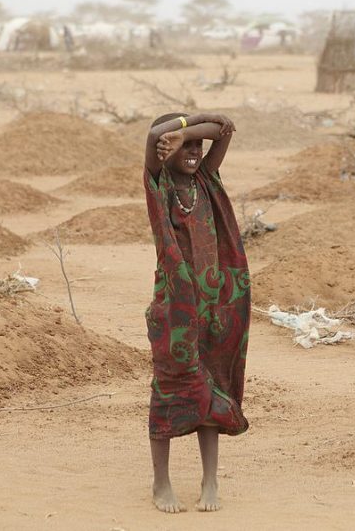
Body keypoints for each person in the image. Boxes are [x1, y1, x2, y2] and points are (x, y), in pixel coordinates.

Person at [142, 111, 250, 513]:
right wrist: (172, 134)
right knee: (170, 388)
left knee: (213, 389)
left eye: (196, 147)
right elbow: (154, 133)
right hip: (175, 311)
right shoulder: (159, 182)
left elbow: (224, 130)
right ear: (164, 151)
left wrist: (191, 127)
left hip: (215, 310)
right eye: (182, 146)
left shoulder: (206, 179)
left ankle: (210, 481)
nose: (192, 153)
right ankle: (161, 484)